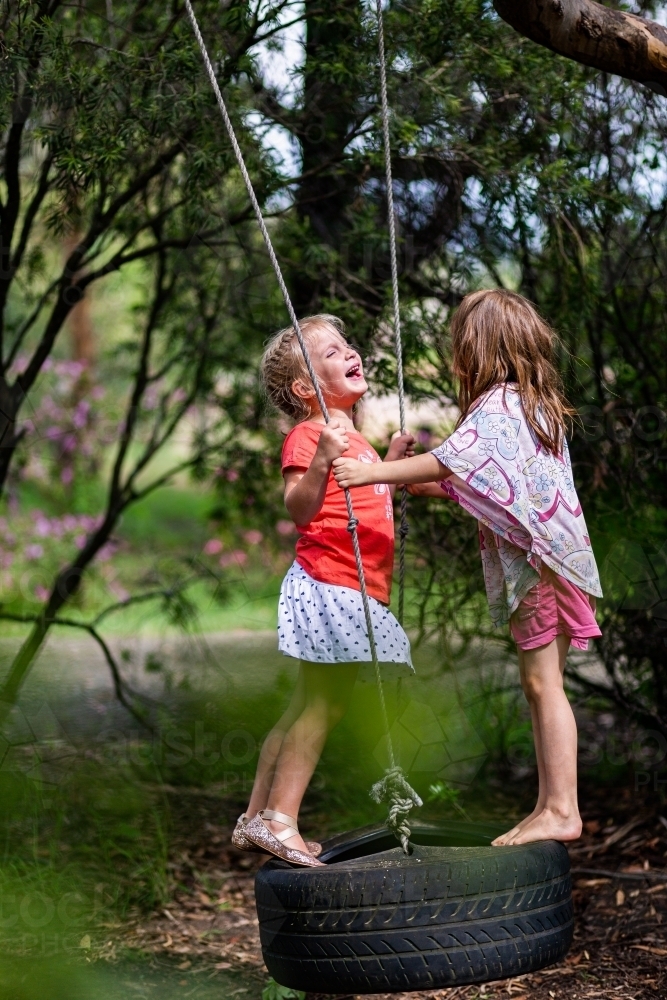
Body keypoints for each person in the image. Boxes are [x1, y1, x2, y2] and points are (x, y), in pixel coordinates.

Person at [332, 289, 603, 847]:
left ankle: (561, 808)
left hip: (539, 565)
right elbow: (480, 481)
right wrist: (414, 478)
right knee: (539, 685)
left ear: (478, 350)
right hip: (550, 560)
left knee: (541, 682)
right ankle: (549, 805)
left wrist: (375, 474)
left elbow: (452, 460)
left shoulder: (500, 405)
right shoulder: (525, 403)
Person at [233, 314, 415, 866]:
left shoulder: (354, 440)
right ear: (305, 388)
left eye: (347, 345)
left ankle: (254, 817)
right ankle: (281, 821)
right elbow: (300, 507)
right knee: (325, 706)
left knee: (301, 708)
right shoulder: (310, 435)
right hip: (332, 584)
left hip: (348, 586)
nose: (350, 352)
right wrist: (319, 459)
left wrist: (393, 466)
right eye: (333, 352)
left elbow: (363, 496)